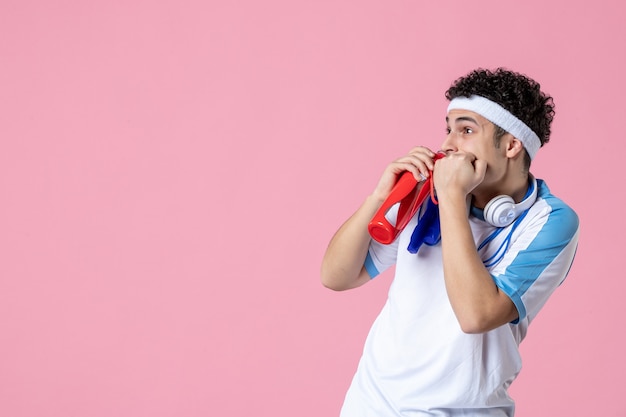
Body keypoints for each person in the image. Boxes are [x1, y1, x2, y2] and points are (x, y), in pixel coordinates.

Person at [320, 68, 579, 416]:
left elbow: (477, 315)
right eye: (448, 129)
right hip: (371, 404)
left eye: (466, 130)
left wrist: (453, 197)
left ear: (512, 144)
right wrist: (379, 196)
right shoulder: (427, 194)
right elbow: (336, 277)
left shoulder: (550, 220)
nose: (447, 144)